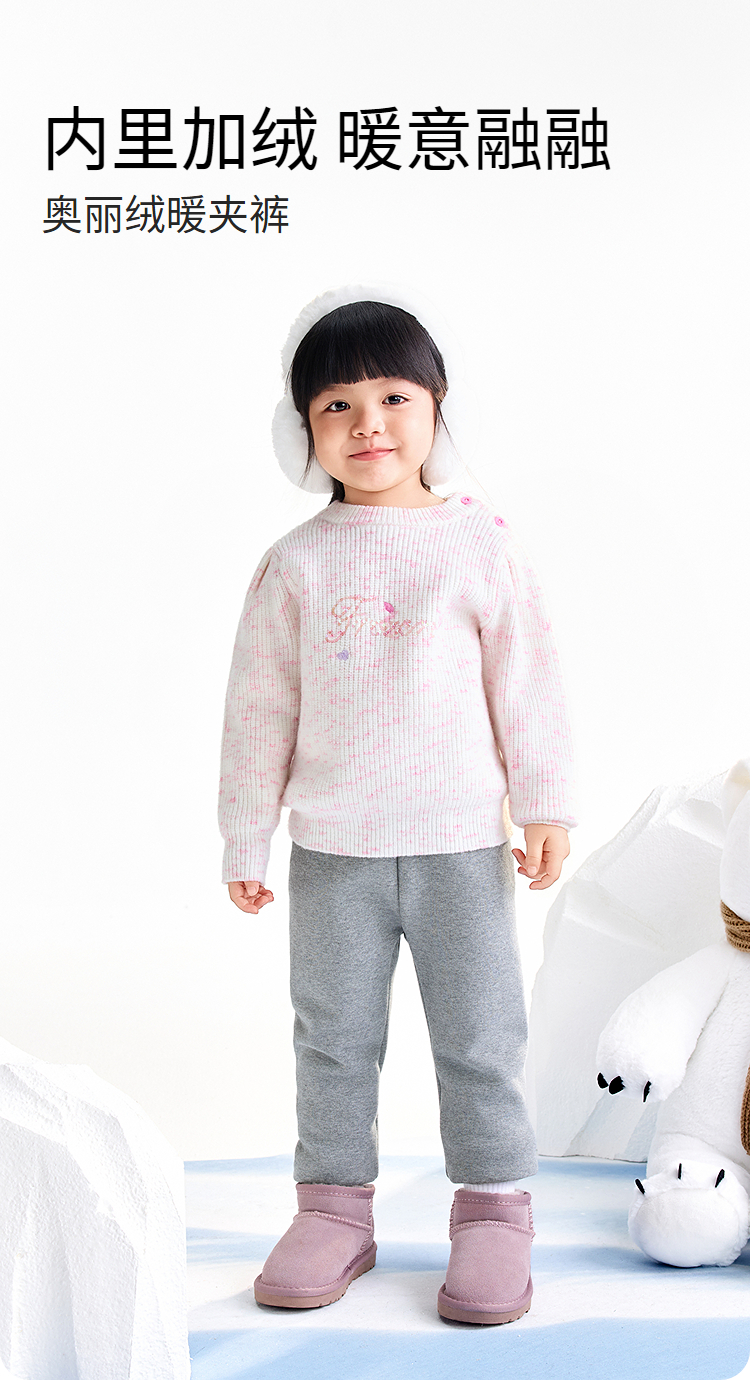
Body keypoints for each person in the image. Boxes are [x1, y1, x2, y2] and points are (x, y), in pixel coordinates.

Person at [218, 284, 577, 1325]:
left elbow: (528, 682)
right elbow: (259, 708)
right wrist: (246, 834)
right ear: (303, 430)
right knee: (332, 1038)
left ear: (436, 407)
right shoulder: (295, 564)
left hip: (462, 846)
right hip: (334, 854)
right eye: (336, 405)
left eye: (392, 397)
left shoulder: (481, 543)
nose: (367, 423)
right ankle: (333, 1208)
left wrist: (545, 804)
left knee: (481, 1036)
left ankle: (495, 1210)